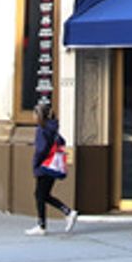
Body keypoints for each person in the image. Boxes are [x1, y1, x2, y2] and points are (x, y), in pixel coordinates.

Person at [26, 100, 79, 235]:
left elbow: (41, 149)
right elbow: (61, 141)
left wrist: (36, 163)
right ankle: (66, 213)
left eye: (35, 114)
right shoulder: (53, 128)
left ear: (39, 116)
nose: (33, 117)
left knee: (40, 195)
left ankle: (43, 225)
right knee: (43, 195)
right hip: (53, 165)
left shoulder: (41, 130)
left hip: (44, 165)